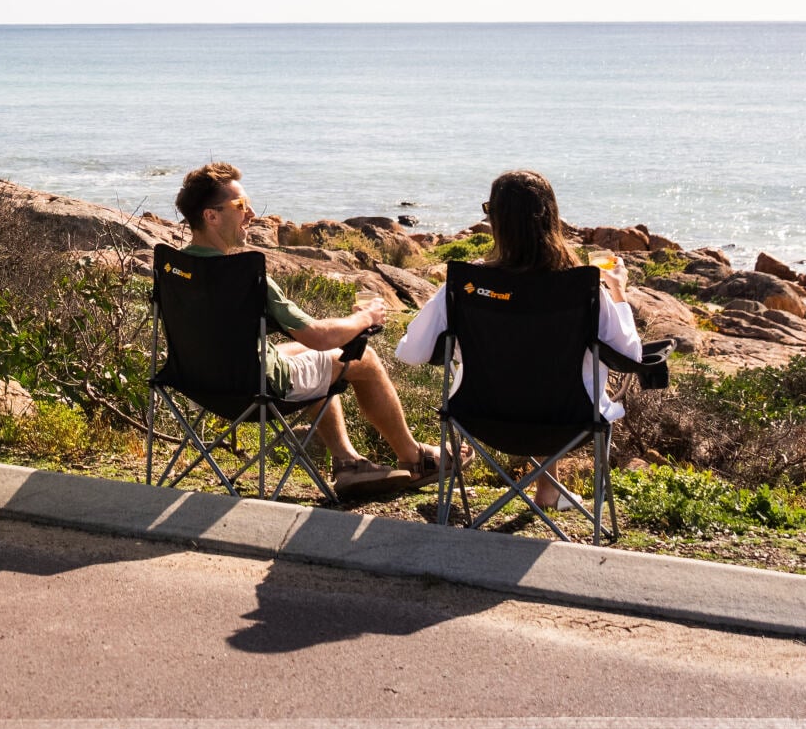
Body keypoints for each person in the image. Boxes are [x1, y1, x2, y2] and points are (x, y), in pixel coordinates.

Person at [173, 162, 441, 493]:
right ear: (211, 216)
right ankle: (416, 459)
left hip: (197, 383)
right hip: (254, 389)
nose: (252, 213)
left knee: (319, 361)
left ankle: (348, 462)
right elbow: (316, 336)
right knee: (362, 358)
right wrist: (366, 318)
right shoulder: (244, 275)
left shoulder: (174, 266)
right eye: (241, 206)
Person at [394, 168, 643, 508]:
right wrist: (619, 292)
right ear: (552, 219)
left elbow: (411, 353)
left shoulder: (466, 286)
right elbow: (631, 355)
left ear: (495, 221)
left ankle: (548, 491)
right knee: (546, 377)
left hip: (481, 416)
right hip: (569, 420)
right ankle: (549, 492)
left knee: (527, 371)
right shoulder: (580, 290)